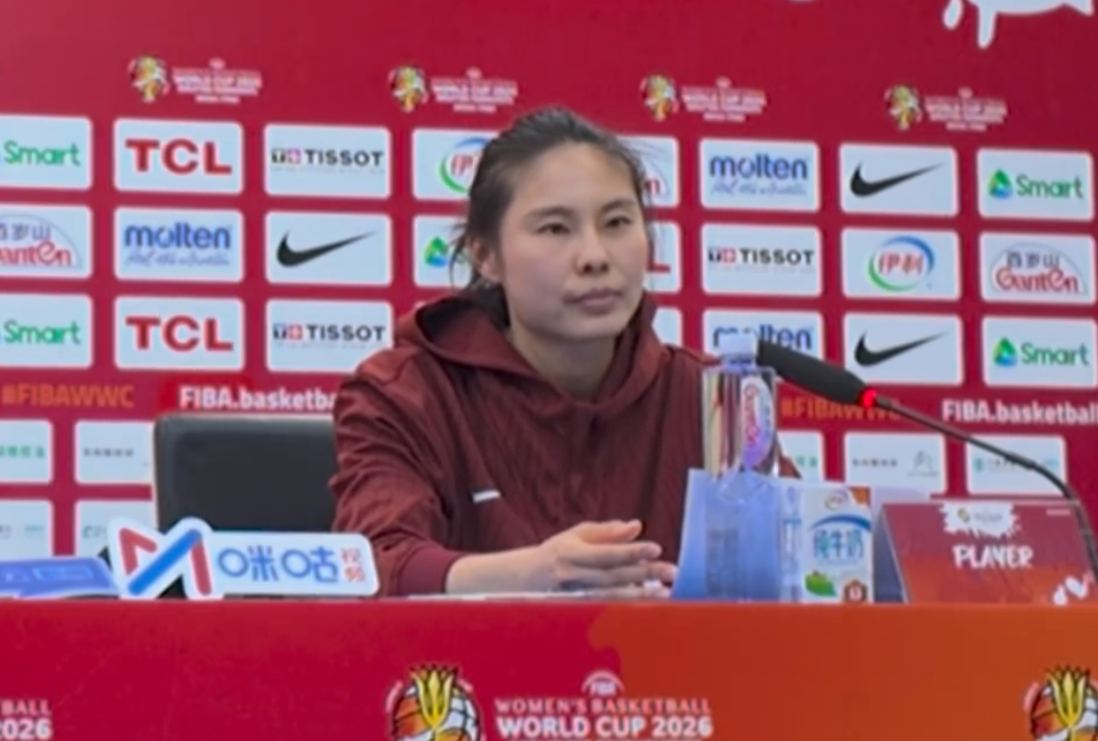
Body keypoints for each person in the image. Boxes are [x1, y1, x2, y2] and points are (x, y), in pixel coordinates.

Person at [329, 106, 799, 598]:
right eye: (555, 229)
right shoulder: (408, 392)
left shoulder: (713, 399)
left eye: (617, 222)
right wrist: (532, 576)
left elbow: (796, 563)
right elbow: (371, 565)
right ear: (485, 256)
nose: (595, 257)